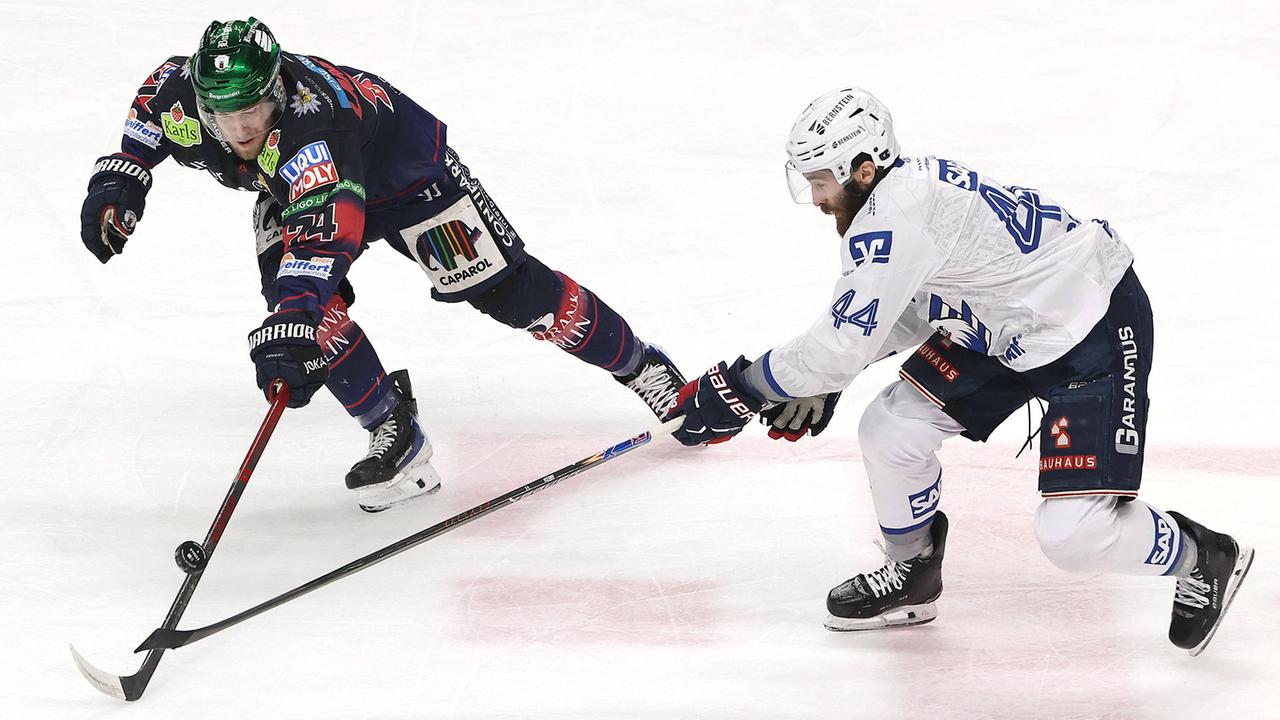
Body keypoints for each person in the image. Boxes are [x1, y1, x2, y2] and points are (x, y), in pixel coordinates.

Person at [668, 87, 1253, 655]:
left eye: (820, 181)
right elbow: (910, 308)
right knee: (891, 429)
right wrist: (829, 376)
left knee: (1073, 536)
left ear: (863, 170)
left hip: (1089, 326)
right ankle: (914, 572)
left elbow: (841, 342)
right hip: (1006, 325)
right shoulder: (905, 195)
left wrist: (738, 389)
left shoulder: (894, 220)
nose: (816, 198)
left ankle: (1203, 556)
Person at [80, 18, 686, 513]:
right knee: (303, 311)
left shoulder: (315, 122)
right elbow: (146, 123)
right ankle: (395, 430)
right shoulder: (178, 91)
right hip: (295, 190)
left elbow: (327, 235)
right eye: (224, 113)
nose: (239, 128)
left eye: (254, 109)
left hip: (407, 183)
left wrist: (295, 315)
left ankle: (643, 368)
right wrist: (122, 179)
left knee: (511, 294)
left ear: (277, 92)